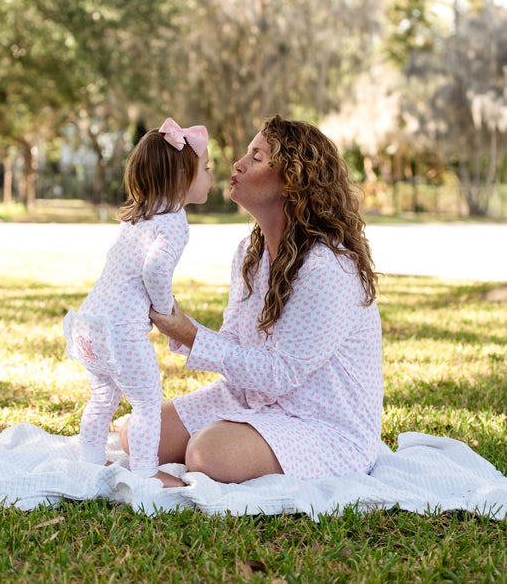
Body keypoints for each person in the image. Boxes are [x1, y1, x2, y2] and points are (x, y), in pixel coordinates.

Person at [120, 114, 383, 486]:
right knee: (138, 434)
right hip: (249, 399)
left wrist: (192, 335)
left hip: (323, 424)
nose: (238, 165)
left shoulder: (328, 269)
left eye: (257, 158)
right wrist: (181, 323)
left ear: (292, 181)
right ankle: (229, 441)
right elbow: (236, 345)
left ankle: (203, 466)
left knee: (206, 453)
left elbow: (280, 374)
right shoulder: (249, 253)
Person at [63, 118, 211, 485]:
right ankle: (145, 475)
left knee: (102, 397)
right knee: (147, 405)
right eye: (206, 168)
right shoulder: (174, 220)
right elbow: (156, 269)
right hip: (121, 333)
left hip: (89, 326)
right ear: (182, 178)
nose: (210, 175)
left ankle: (91, 462)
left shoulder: (138, 215)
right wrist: (164, 309)